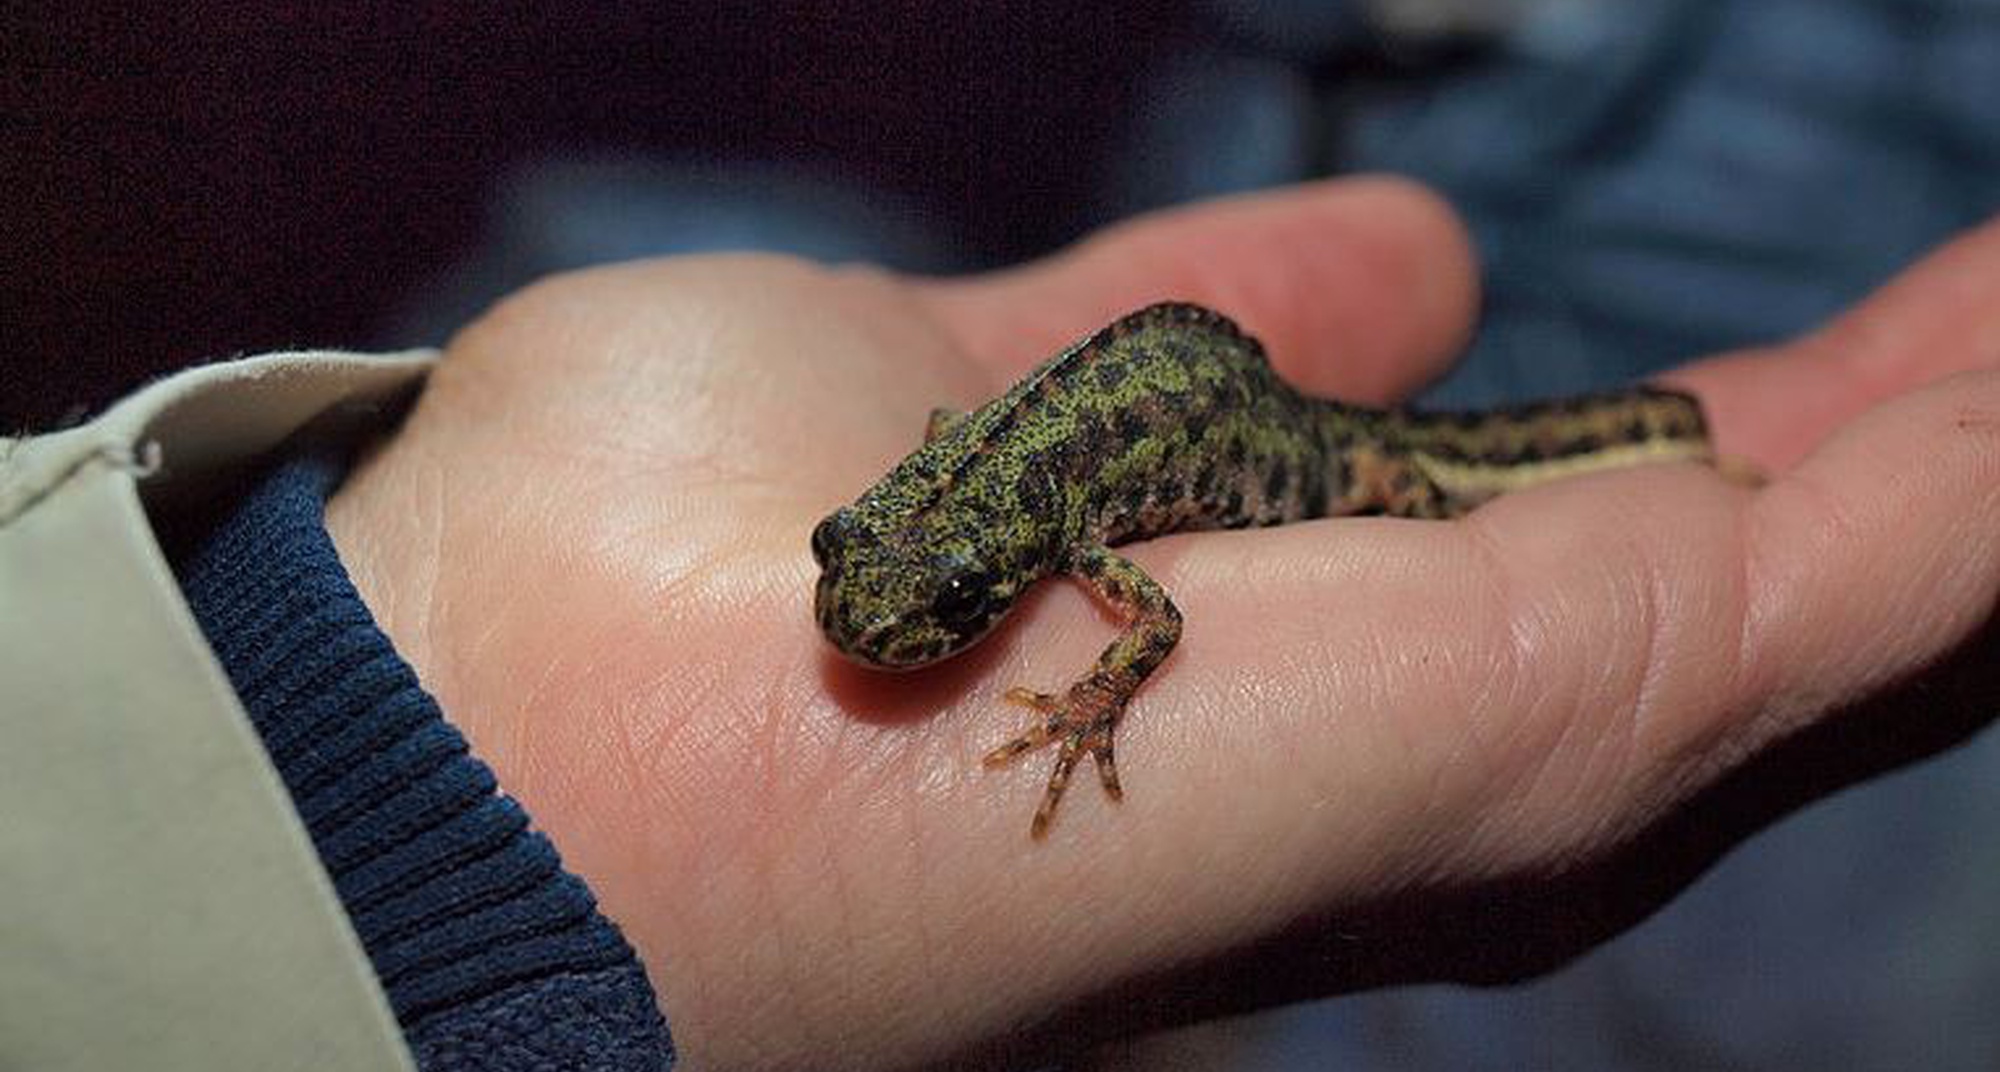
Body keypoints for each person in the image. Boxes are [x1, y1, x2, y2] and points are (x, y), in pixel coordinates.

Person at [4, 177, 1996, 1071]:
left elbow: (1145, 625)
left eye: (935, 608)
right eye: (867, 592)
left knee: (1542, 444)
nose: (885, 634)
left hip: (1293, 438)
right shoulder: (976, 513)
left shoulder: (1068, 541)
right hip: (1165, 407)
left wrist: (1082, 710)